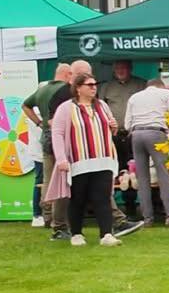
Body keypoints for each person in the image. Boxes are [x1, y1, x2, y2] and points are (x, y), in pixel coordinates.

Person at [51, 71, 122, 247]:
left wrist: (114, 127)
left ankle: (106, 234)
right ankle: (76, 233)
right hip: (78, 160)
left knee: (103, 197)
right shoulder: (66, 108)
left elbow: (111, 126)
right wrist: (61, 158)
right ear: (78, 88)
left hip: (103, 159)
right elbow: (58, 134)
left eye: (94, 85)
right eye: (89, 85)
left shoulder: (102, 106)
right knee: (77, 198)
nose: (93, 88)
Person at [123, 71, 169, 227]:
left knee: (142, 178)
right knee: (163, 175)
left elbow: (127, 125)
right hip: (156, 133)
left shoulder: (134, 97)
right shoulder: (165, 93)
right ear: (161, 86)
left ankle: (147, 218)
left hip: (136, 134)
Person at [23, 65, 73, 229]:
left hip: (45, 134)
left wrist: (38, 122)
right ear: (67, 74)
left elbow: (25, 105)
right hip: (61, 134)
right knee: (64, 177)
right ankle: (61, 216)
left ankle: (47, 215)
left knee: (47, 177)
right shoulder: (65, 90)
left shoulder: (42, 90)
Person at [97, 61, 145, 168]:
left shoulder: (141, 84)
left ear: (130, 69)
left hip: (135, 133)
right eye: (117, 68)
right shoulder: (106, 86)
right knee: (117, 165)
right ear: (113, 70)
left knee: (137, 165)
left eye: (123, 68)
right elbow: (100, 107)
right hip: (114, 134)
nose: (120, 71)